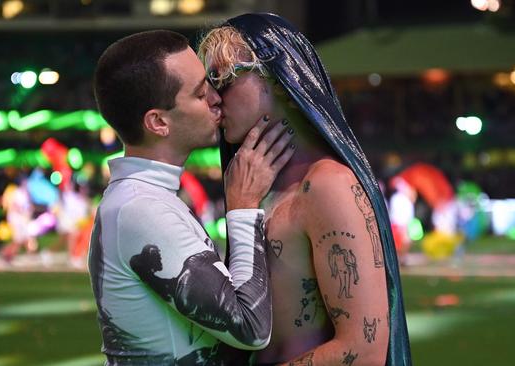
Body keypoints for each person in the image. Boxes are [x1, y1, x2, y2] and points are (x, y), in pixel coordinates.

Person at [198, 13, 411, 365]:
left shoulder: (328, 185)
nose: (213, 100)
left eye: (222, 80)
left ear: (279, 80)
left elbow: (363, 351)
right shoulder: (254, 186)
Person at [90, 30, 295, 364]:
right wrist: (243, 207)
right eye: (201, 93)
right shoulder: (140, 209)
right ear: (158, 122)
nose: (217, 98)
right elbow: (251, 328)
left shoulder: (145, 198)